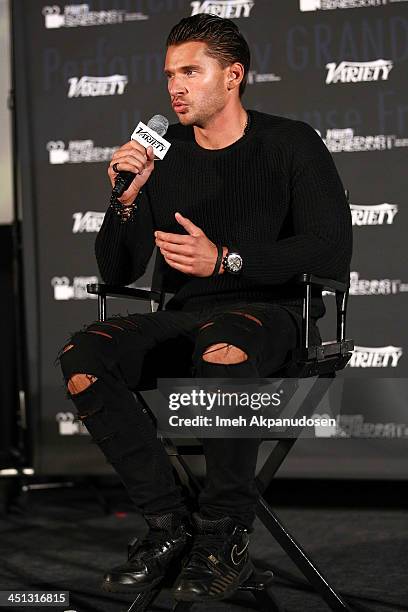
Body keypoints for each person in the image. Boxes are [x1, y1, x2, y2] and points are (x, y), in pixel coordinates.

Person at [58, 13, 352, 603]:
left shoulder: (291, 142)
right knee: (85, 353)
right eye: (170, 74)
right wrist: (125, 200)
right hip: (189, 317)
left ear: (234, 75)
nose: (176, 87)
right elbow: (117, 273)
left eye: (191, 71)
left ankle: (222, 537)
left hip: (273, 317)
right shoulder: (161, 160)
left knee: (223, 348)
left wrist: (227, 261)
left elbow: (330, 248)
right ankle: (171, 527)